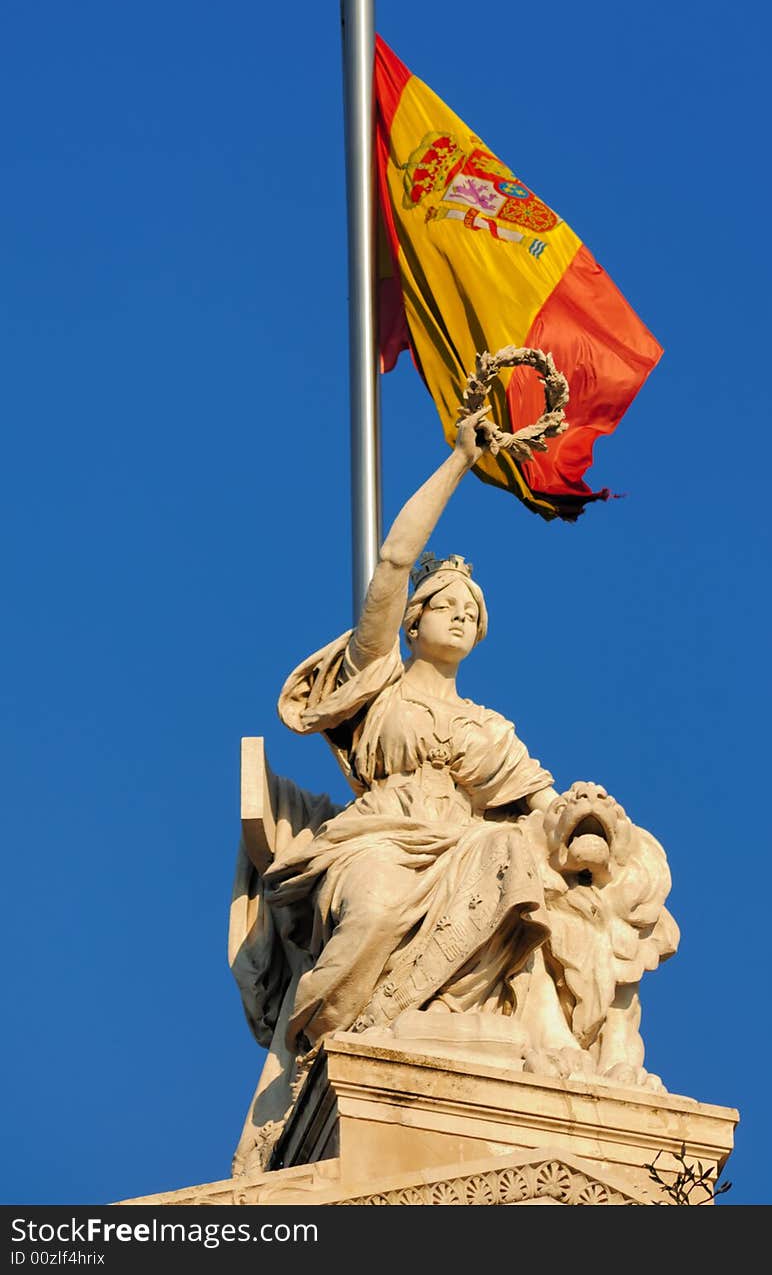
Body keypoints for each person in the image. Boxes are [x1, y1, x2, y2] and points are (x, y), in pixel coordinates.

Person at [229, 410, 678, 1176]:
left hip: (465, 845)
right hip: (379, 837)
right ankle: (342, 1033)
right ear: (414, 621)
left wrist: (597, 839)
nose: (463, 615)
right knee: (370, 908)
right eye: (449, 605)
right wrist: (459, 464)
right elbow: (396, 558)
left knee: (511, 855)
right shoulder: (378, 683)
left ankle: (536, 1030)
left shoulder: (489, 729)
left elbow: (541, 808)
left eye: (474, 612)